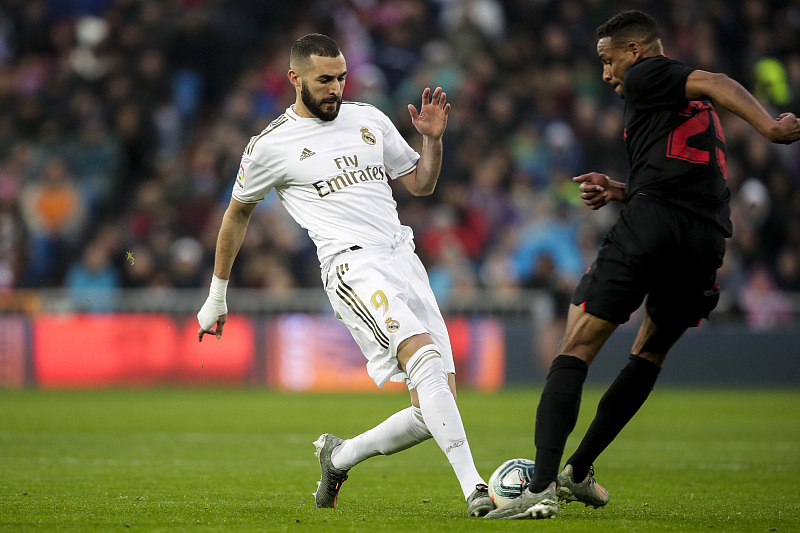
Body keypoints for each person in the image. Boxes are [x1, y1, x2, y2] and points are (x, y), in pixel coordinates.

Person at [486, 10, 800, 520]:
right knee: (649, 352)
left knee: (576, 345)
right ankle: (578, 471)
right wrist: (620, 190)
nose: (607, 74)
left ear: (634, 51)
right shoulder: (684, 101)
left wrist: (769, 126)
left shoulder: (647, 73)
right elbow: (679, 170)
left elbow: (718, 79)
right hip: (705, 237)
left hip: (654, 224)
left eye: (608, 61)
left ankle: (540, 487)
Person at [196, 33, 495, 517]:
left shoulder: (369, 118)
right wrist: (217, 295)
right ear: (295, 79)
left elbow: (421, 184)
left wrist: (432, 141)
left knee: (432, 409)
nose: (335, 88)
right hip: (352, 267)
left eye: (340, 78)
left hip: (403, 259)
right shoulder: (270, 145)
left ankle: (338, 457)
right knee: (423, 358)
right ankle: (477, 491)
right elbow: (236, 215)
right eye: (324, 80)